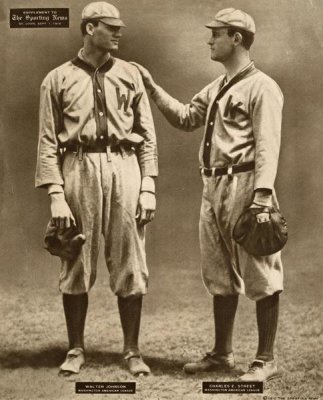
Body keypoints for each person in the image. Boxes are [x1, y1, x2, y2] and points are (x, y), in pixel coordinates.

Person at [132, 8, 284, 382]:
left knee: (260, 270)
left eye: (216, 34)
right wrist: (151, 87)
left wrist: (262, 196)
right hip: (212, 186)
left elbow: (268, 144)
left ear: (237, 38)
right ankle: (221, 354)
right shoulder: (217, 86)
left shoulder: (261, 85)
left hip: (247, 184)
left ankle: (266, 359)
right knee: (218, 273)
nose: (209, 40)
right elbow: (185, 118)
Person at [35, 1, 158, 377]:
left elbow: (147, 135)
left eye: (119, 27)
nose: (119, 32)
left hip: (125, 166)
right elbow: (46, 142)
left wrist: (149, 183)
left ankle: (132, 352)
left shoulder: (131, 74)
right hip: (78, 166)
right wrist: (56, 193)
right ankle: (75, 349)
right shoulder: (56, 78)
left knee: (131, 260)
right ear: (90, 29)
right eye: (110, 27)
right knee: (75, 258)